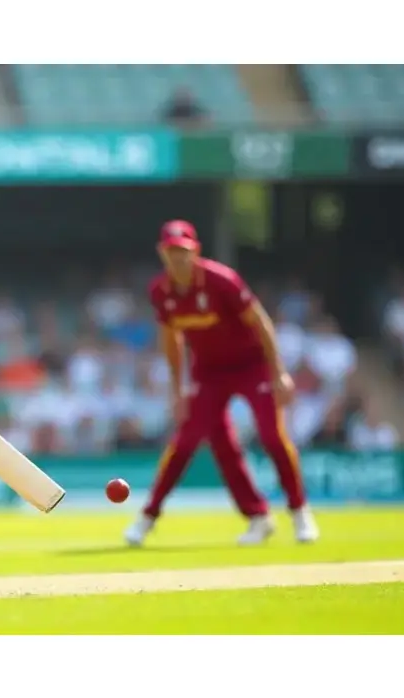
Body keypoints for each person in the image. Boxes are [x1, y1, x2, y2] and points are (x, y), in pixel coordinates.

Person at [124, 220, 319, 546]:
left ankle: (300, 512)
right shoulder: (161, 291)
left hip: (251, 366)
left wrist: (279, 372)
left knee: (272, 436)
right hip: (208, 373)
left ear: (195, 251)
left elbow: (260, 323)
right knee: (191, 443)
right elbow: (171, 341)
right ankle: (155, 517)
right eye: (172, 252)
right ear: (162, 253)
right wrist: (178, 389)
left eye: (184, 252)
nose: (179, 259)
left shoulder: (222, 281)